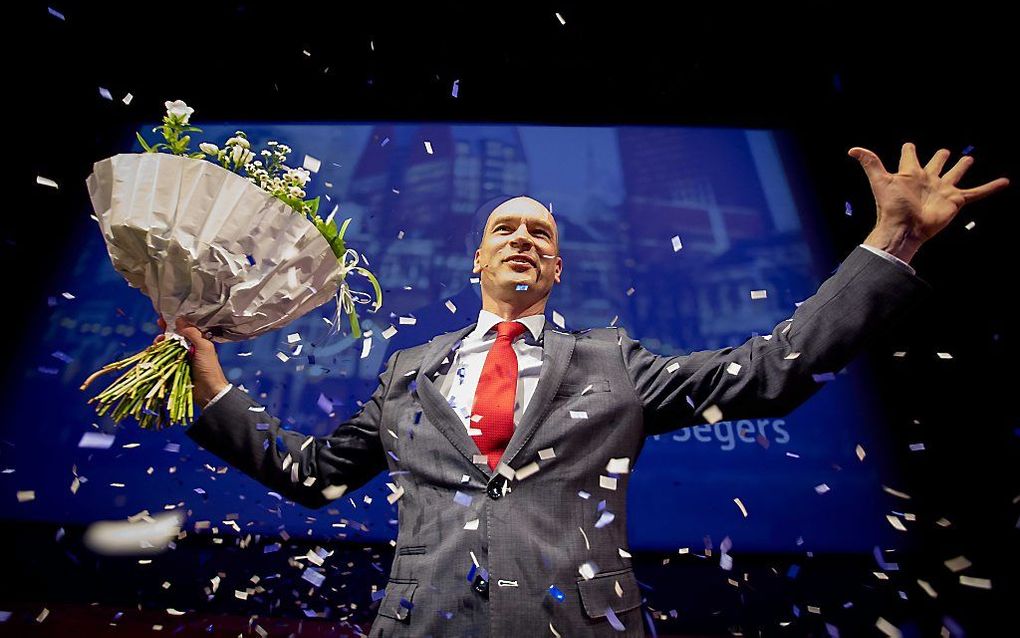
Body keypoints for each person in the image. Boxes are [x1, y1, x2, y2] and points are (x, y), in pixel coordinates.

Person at [158, 143, 1007, 637]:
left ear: (556, 267)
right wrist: (213, 383)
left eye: (540, 233)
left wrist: (891, 242)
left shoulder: (612, 363)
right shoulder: (408, 371)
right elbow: (315, 477)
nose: (523, 239)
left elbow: (773, 370)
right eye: (506, 229)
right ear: (479, 261)